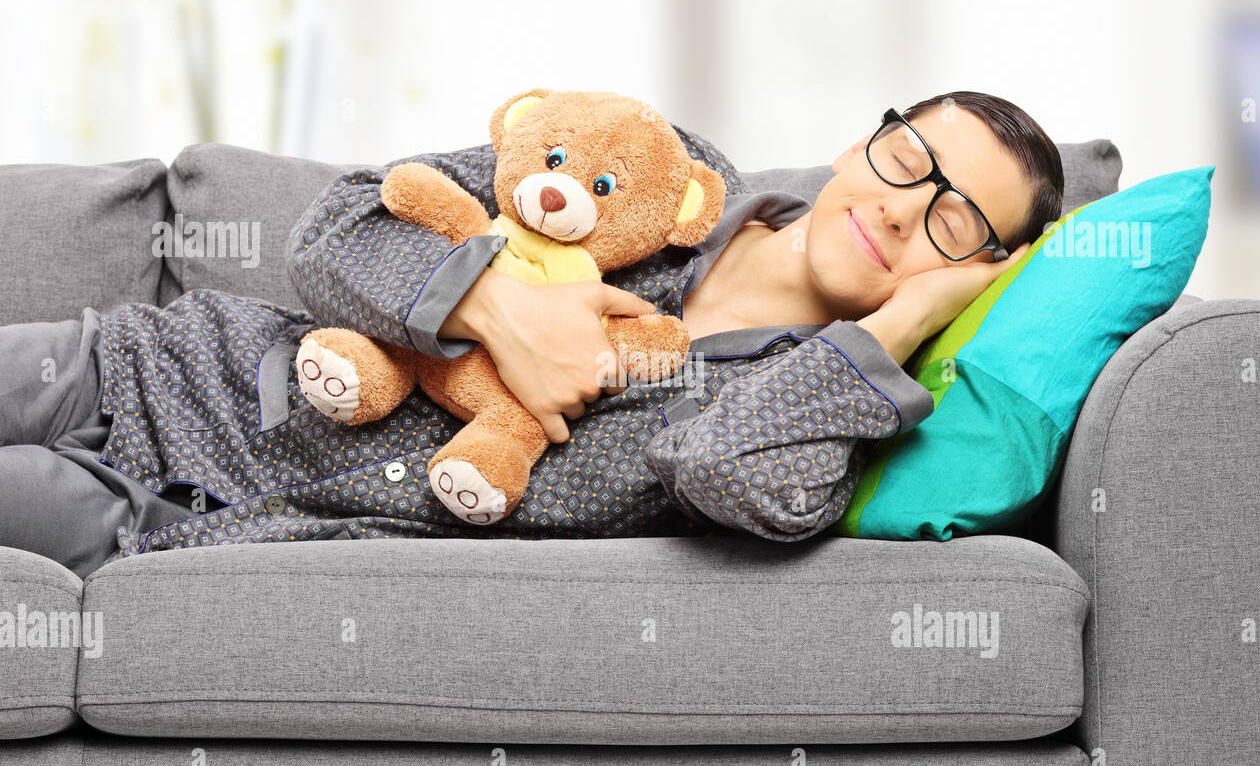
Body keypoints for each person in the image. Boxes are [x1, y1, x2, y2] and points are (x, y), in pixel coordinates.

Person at [0, 91, 1063, 577]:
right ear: (860, 145)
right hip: (155, 374)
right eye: (908, 160)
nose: (899, 207)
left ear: (975, 272)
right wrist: (509, 313)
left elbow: (720, 476)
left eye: (954, 217)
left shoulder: (818, 404)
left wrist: (893, 331)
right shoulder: (658, 169)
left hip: (190, 532)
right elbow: (343, 226)